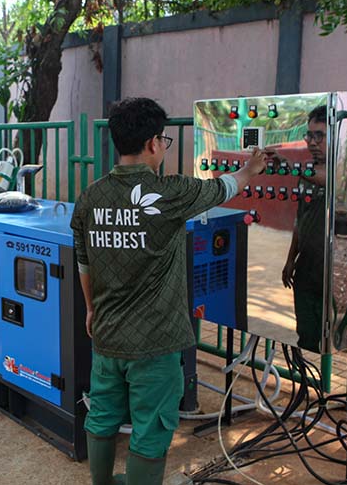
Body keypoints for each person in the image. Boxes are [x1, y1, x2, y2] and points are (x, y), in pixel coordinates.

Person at [70, 97, 266, 485]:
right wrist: (252, 168)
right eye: (163, 139)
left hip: (107, 335)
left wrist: (92, 310)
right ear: (151, 144)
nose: (163, 145)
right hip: (155, 341)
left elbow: (84, 263)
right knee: (152, 424)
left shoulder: (90, 197)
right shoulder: (169, 194)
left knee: (103, 413)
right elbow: (224, 187)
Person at [277, 105, 328, 352]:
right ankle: (307, 385)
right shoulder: (305, 175)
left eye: (320, 135)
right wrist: (290, 259)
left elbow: (327, 178)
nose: (313, 142)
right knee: (305, 336)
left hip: (331, 273)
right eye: (310, 135)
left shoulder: (345, 171)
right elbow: (300, 219)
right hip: (306, 270)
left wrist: (287, 164)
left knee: (330, 338)